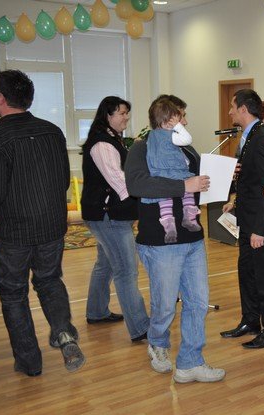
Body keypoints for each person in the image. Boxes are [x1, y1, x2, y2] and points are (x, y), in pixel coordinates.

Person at [0, 69, 85, 375]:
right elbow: (63, 182)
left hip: (13, 233)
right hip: (52, 227)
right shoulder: (53, 132)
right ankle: (64, 332)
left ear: (0, 98)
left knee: (13, 294)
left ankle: (30, 363)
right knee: (49, 280)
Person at [125, 94, 225, 383]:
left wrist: (219, 178)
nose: (186, 121)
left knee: (198, 302)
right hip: (160, 242)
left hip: (192, 237)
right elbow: (137, 185)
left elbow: (198, 183)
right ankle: (157, 343)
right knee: (166, 304)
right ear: (168, 119)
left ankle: (190, 363)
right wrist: (184, 185)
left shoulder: (187, 148)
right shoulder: (141, 148)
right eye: (182, 116)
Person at [80, 96, 150, 343]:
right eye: (121, 113)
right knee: (126, 270)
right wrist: (148, 193)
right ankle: (140, 327)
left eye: (127, 113)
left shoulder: (112, 139)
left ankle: (96, 311)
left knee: (106, 264)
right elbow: (119, 181)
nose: (126, 118)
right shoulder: (103, 144)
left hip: (108, 214)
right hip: (108, 216)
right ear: (108, 115)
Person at [220, 89, 264, 349]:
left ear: (243, 109)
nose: (230, 112)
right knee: (246, 273)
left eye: (232, 107)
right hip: (247, 221)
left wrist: (260, 229)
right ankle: (250, 321)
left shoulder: (263, 139)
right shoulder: (249, 137)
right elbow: (252, 181)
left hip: (262, 225)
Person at [142, 98, 200, 243]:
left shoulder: (151, 137)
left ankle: (169, 226)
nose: (182, 122)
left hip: (160, 174)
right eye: (177, 119)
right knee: (188, 192)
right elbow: (187, 139)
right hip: (175, 172)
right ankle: (189, 218)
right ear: (168, 121)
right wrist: (178, 127)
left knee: (164, 201)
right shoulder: (170, 135)